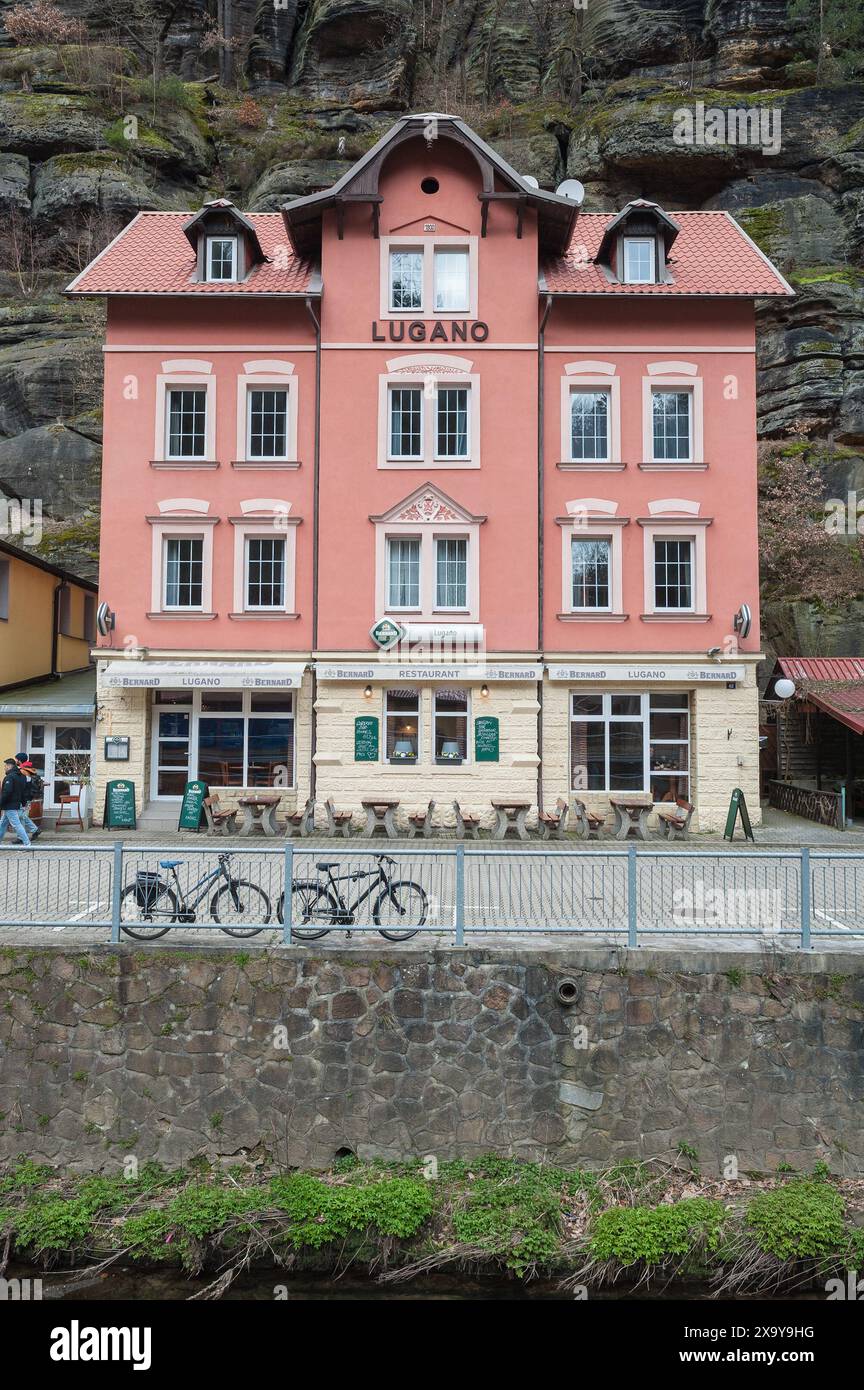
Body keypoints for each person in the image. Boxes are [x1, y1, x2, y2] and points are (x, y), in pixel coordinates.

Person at [0, 757, 33, 847]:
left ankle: (27, 844)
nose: (5, 768)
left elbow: (7, 792)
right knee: (2, 824)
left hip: (10, 805)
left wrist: (1, 803)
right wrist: (23, 803)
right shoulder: (21, 776)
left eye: (5, 766)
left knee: (17, 825)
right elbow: (23, 791)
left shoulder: (9, 777)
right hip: (14, 804)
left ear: (9, 766)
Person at [15, 754, 41, 841]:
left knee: (20, 816)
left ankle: (21, 837)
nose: (15, 761)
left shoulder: (23, 771)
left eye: (16, 759)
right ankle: (34, 830)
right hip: (28, 796)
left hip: (23, 797)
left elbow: (22, 784)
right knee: (21, 815)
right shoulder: (30, 769)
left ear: (20, 760)